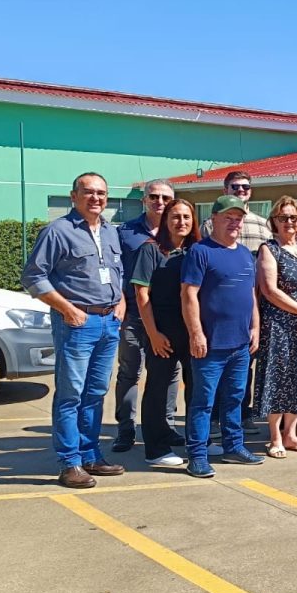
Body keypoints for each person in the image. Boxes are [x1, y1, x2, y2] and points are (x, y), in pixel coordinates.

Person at [21, 172, 126, 488]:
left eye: (102, 193)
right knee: (71, 395)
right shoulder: (58, 232)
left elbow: (117, 273)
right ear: (74, 196)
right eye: (89, 192)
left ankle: (91, 454)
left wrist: (120, 304)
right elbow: (34, 277)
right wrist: (67, 309)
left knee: (95, 393)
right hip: (77, 324)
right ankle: (70, 463)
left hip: (109, 323)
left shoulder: (110, 231)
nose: (96, 198)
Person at [180, 195, 265, 478]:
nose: (234, 223)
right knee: (204, 402)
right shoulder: (200, 252)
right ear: (213, 220)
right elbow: (189, 294)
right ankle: (198, 455)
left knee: (235, 398)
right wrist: (196, 333)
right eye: (228, 217)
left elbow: (252, 295)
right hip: (210, 345)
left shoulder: (243, 253)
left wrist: (255, 327)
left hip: (240, 344)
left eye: (238, 218)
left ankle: (233, 446)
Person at [199, 169, 269, 440]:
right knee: (215, 369)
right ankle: (214, 419)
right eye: (235, 187)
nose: (241, 191)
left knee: (244, 366)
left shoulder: (263, 225)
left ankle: (243, 413)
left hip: (253, 304)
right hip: (218, 309)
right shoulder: (209, 224)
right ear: (225, 189)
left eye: (245, 188)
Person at [131, 197, 201, 467]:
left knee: (197, 387)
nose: (181, 222)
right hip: (163, 330)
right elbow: (141, 295)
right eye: (175, 217)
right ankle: (156, 448)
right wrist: (153, 334)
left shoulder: (197, 249)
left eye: (186, 217)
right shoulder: (150, 250)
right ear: (165, 220)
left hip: (194, 329)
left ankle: (199, 441)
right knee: (158, 388)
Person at [255, 197, 297, 458]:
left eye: (293, 218)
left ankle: (291, 434)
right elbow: (269, 290)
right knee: (279, 379)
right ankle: (275, 438)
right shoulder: (269, 249)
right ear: (274, 221)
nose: (289, 223)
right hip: (280, 326)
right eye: (283, 218)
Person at [112, 178, 177, 453]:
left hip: (166, 317)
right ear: (144, 200)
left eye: (165, 198)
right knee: (130, 371)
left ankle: (168, 426)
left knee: (169, 373)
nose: (159, 202)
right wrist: (118, 303)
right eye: (154, 197)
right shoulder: (125, 232)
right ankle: (125, 430)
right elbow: (115, 270)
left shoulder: (178, 229)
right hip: (133, 313)